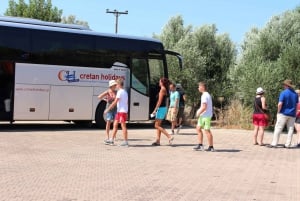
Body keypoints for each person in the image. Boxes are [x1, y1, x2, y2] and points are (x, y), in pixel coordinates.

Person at [268, 79, 298, 148]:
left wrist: (278, 112)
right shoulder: (295, 94)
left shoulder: (283, 93)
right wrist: (295, 113)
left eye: (284, 85)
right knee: (290, 129)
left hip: (283, 113)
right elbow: (296, 105)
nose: (283, 86)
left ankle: (274, 143)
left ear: (286, 85)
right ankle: (288, 144)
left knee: (278, 128)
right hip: (292, 114)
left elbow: (280, 104)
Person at [104, 78, 129, 147]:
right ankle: (111, 140)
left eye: (116, 85)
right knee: (115, 125)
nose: (116, 86)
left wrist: (108, 109)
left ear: (119, 84)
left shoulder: (120, 92)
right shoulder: (125, 92)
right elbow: (126, 102)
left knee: (123, 126)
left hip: (122, 111)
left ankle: (126, 142)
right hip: (120, 111)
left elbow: (115, 102)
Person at [150, 78, 174, 146]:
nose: (159, 82)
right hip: (163, 108)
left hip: (161, 109)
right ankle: (158, 141)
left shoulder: (162, 89)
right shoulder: (165, 89)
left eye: (160, 81)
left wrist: (155, 110)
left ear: (162, 83)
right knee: (159, 125)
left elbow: (159, 101)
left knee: (156, 125)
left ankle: (169, 136)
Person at [193, 82, 214, 152]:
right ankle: (200, 145)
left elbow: (204, 107)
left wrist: (198, 113)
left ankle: (211, 147)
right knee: (198, 128)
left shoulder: (205, 95)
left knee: (207, 130)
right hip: (203, 115)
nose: (198, 88)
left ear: (202, 87)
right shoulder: (205, 95)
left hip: (206, 116)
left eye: (199, 86)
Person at [98, 80, 117, 144]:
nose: (115, 86)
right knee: (108, 122)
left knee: (115, 123)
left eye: (115, 85)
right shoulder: (108, 92)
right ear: (111, 86)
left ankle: (113, 136)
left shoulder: (116, 92)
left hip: (115, 109)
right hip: (109, 109)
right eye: (114, 85)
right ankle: (107, 137)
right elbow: (99, 96)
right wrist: (106, 100)